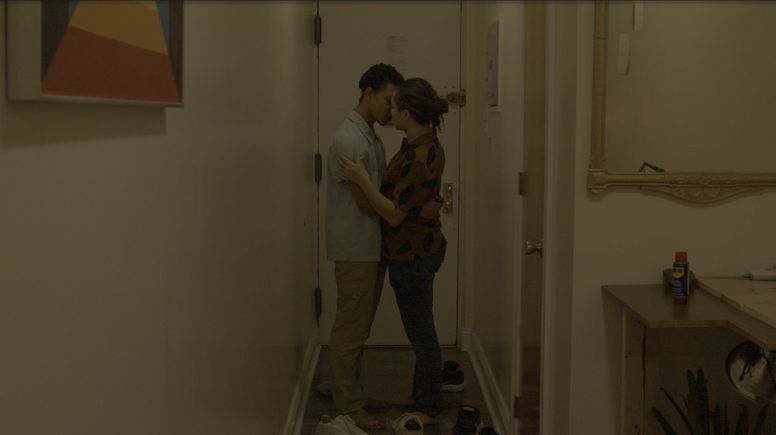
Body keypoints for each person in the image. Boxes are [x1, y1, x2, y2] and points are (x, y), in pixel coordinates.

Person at [340, 77, 449, 427]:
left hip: (413, 254)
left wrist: (361, 178)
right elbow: (411, 201)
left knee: (421, 333)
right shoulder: (419, 145)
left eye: (394, 104)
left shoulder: (419, 155)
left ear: (406, 113)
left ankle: (428, 407)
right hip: (414, 250)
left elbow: (394, 214)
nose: (389, 110)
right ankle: (422, 396)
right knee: (420, 329)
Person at [324, 63, 404, 430]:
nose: (392, 108)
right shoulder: (349, 138)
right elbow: (364, 200)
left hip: (368, 245)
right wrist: (397, 211)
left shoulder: (369, 135)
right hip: (355, 246)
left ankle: (351, 392)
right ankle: (348, 406)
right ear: (368, 93)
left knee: (358, 327)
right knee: (351, 329)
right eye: (388, 99)